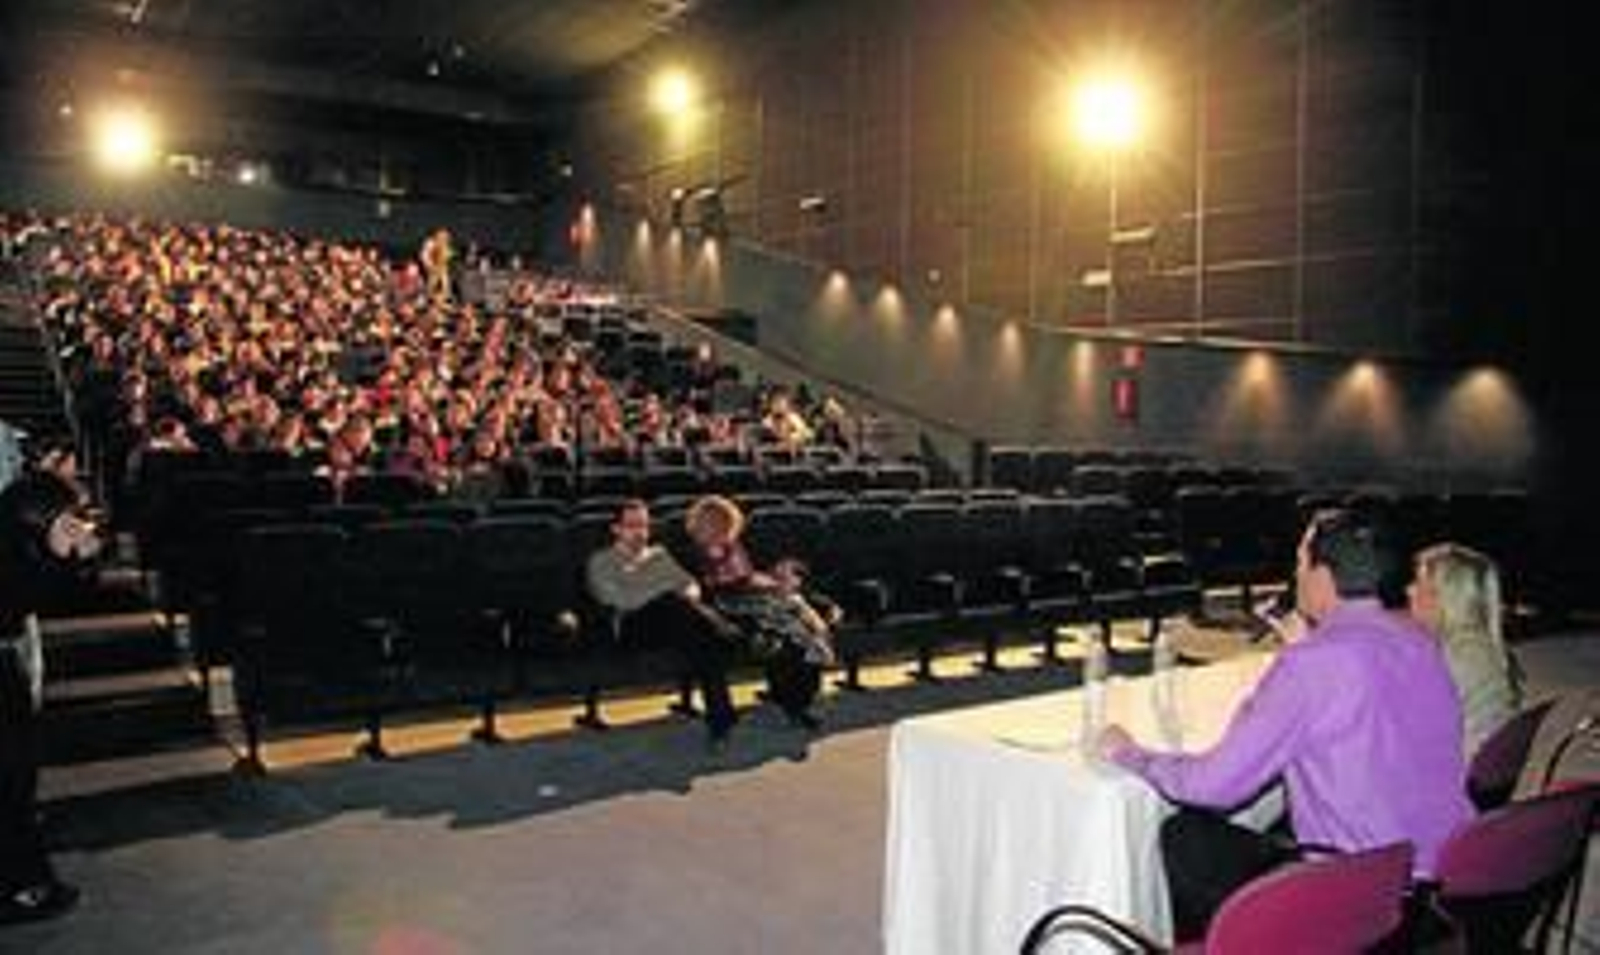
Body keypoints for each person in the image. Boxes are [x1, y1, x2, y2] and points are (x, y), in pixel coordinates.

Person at [1097, 507, 1472, 941]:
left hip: (1360, 894)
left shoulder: (1313, 664)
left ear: (1322, 575)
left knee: (1184, 838)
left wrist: (1128, 752)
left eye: (1299, 562)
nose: (1294, 575)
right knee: (1271, 819)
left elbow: (1214, 786)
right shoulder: (1418, 642)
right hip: (1434, 884)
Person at [1, 442, 101, 925]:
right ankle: (22, 887)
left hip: (3, 665)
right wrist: (66, 558)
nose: (73, 528)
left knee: (16, 779)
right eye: (64, 521)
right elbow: (29, 599)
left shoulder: (13, 540)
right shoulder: (14, 550)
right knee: (11, 779)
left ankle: (24, 880)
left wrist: (70, 559)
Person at [585, 499, 741, 750]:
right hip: (628, 629)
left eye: (645, 525)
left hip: (670, 624)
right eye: (632, 525)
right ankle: (724, 632)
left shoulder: (659, 555)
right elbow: (619, 599)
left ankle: (720, 722)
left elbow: (691, 585)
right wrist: (662, 589)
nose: (640, 532)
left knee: (702, 641)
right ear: (616, 529)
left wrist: (683, 591)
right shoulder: (602, 560)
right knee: (678, 607)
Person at [683, 494, 834, 731]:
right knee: (782, 633)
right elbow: (699, 592)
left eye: (726, 525)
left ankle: (798, 703)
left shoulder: (735, 547)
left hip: (753, 602)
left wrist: (771, 582)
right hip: (721, 610)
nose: (721, 531)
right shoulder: (688, 552)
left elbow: (749, 576)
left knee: (803, 631)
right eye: (713, 524)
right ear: (699, 524)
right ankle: (787, 701)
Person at [1408, 542, 1524, 758]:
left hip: (1449, 779)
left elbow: (1407, 737)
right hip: (1478, 776)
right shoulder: (1484, 649)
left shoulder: (1451, 660)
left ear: (1446, 597)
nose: (1409, 590)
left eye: (1418, 583)